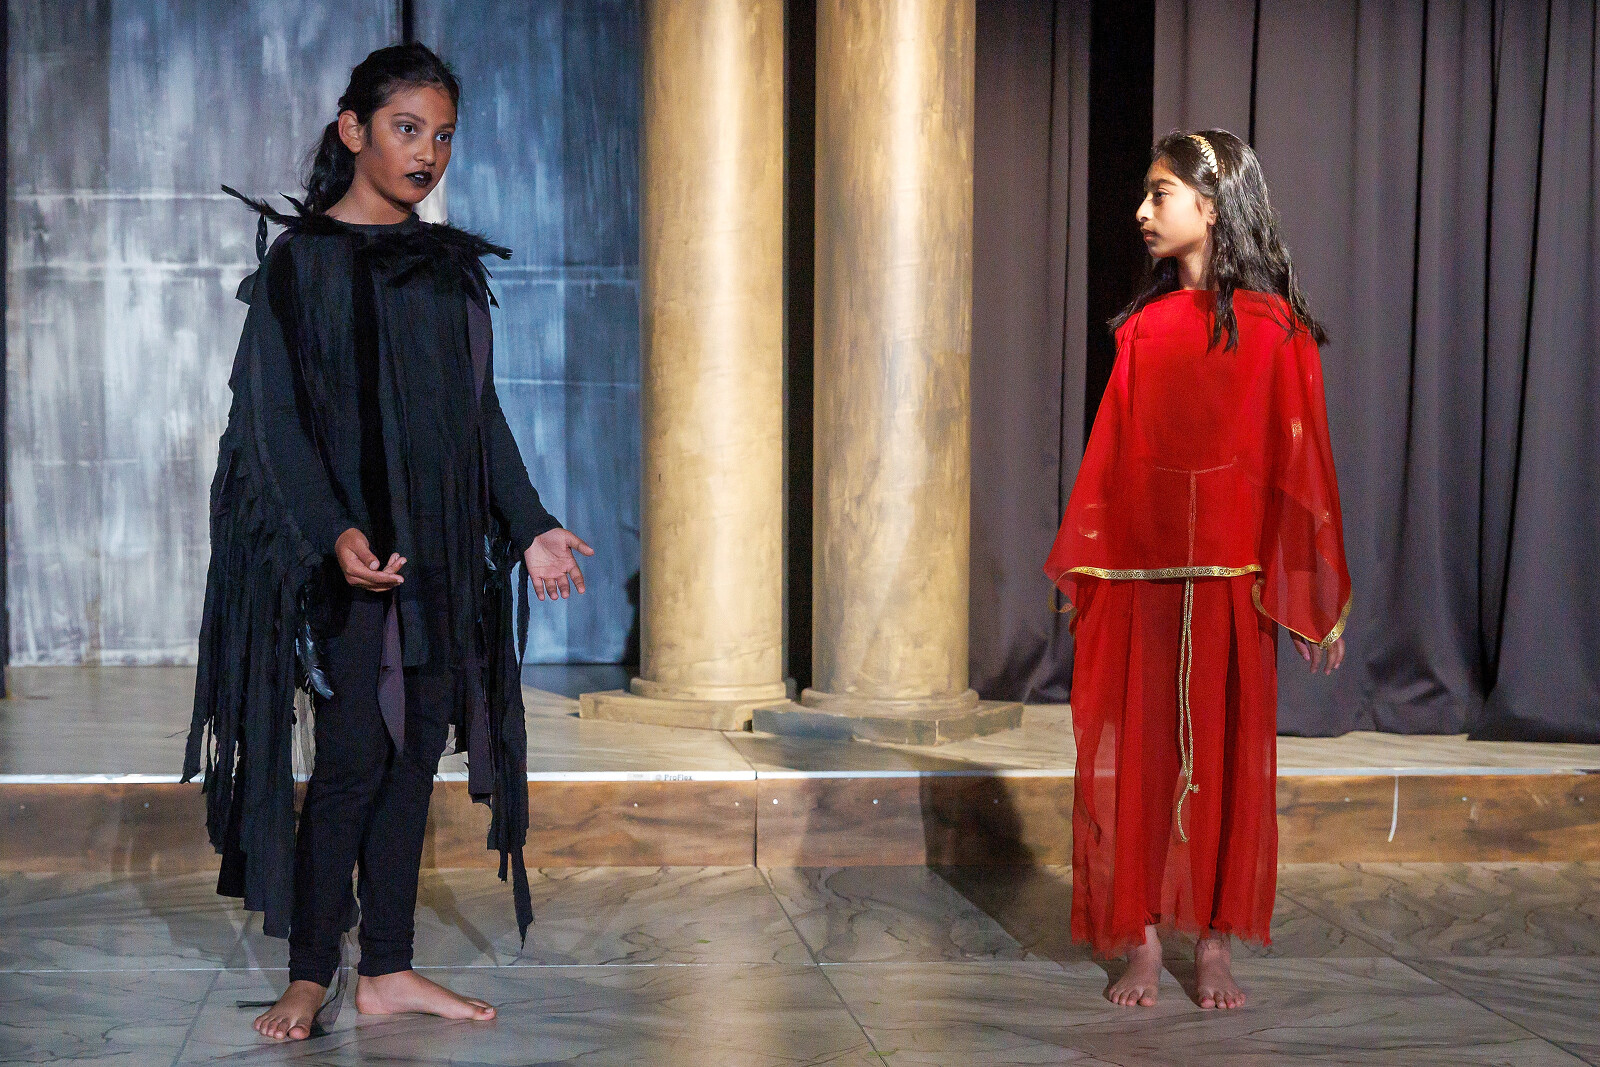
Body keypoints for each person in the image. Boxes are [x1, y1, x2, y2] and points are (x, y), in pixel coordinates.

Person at [181, 43, 594, 1042]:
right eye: (408, 129)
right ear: (354, 129)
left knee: (414, 758)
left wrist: (531, 525)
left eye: (443, 135)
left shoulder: (445, 269)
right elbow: (273, 424)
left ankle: (389, 968)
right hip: (348, 559)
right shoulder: (300, 265)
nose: (427, 152)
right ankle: (311, 970)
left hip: (440, 555)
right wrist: (333, 532)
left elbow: (478, 418)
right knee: (355, 757)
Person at [1044, 129, 1350, 1010]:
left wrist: (1310, 596)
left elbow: (1301, 470)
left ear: (1210, 209)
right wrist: (1095, 573)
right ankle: (1141, 939)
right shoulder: (1142, 331)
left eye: (1161, 194)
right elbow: (1110, 462)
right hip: (1143, 581)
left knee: (1226, 757)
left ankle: (1214, 941)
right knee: (1140, 758)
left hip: (1231, 586)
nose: (1143, 211)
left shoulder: (1275, 330)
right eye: (1147, 195)